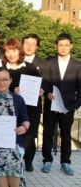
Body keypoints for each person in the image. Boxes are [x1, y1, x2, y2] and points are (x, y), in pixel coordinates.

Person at [1, 38, 44, 174]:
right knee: (13, 139)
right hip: (9, 111)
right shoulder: (1, 70)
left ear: (19, 51)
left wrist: (41, 90)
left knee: (28, 138)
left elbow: (42, 83)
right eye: (8, 51)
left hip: (31, 110)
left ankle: (27, 162)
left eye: (13, 50)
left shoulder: (30, 67)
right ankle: (15, 168)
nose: (11, 54)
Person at [41, 33, 81, 175]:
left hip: (68, 106)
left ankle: (65, 162)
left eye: (66, 45)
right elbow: (44, 83)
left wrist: (75, 105)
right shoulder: (49, 63)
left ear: (71, 46)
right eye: (60, 45)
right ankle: (47, 160)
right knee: (48, 133)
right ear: (56, 46)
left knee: (66, 134)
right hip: (51, 105)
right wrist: (47, 93)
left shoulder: (77, 65)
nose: (63, 48)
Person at [22, 33, 51, 172]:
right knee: (18, 132)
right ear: (22, 45)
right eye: (26, 43)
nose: (29, 46)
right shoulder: (17, 60)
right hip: (19, 103)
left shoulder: (43, 63)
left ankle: (28, 162)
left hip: (34, 105)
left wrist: (42, 89)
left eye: (32, 43)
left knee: (31, 134)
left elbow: (45, 81)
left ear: (37, 46)